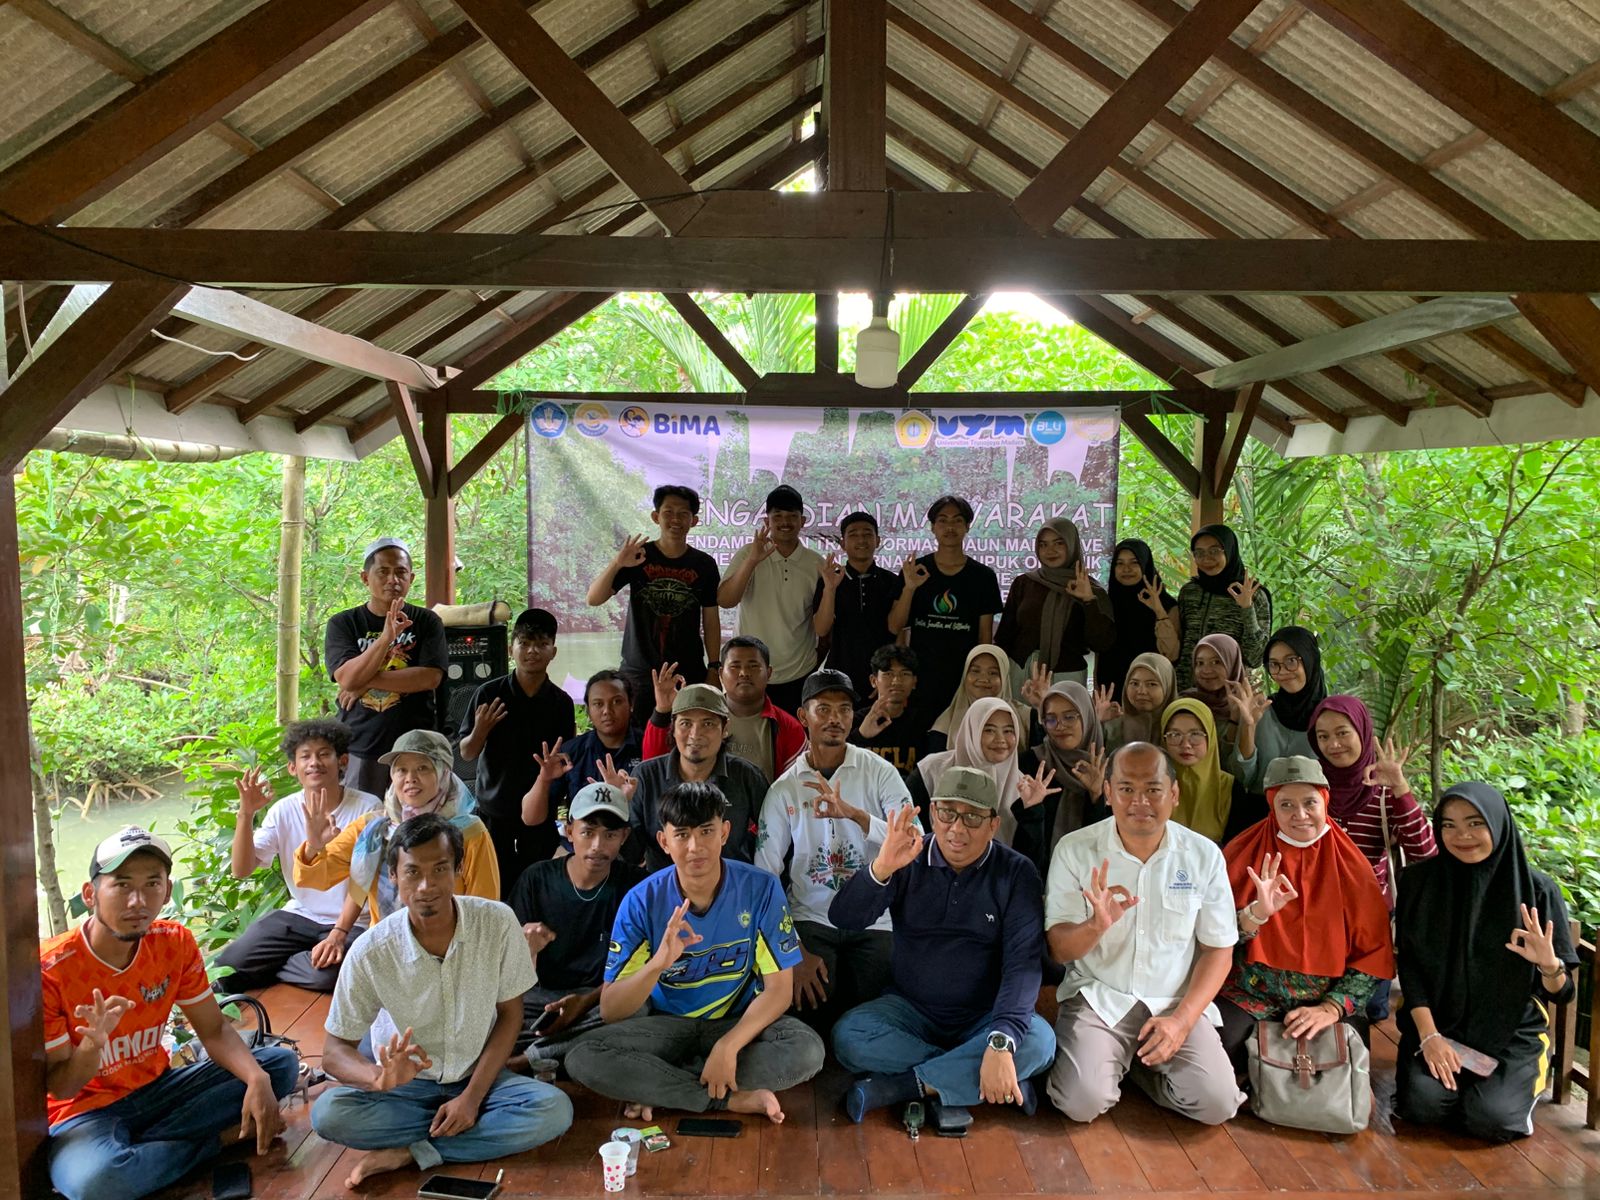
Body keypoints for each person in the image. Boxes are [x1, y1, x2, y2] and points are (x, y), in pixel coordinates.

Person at [311, 814, 573, 1189]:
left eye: (439, 869)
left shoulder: (497, 923)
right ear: (393, 876)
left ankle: (415, 1150)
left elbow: (510, 1015)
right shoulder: (371, 951)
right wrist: (378, 1077)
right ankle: (457, 1133)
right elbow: (334, 1052)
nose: (426, 886)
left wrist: (472, 1099)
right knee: (328, 1114)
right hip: (407, 1089)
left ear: (457, 870)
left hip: (480, 1078)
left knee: (554, 1110)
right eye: (413, 872)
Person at [43, 828, 300, 1200]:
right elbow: (61, 1088)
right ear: (90, 894)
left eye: (152, 884)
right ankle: (215, 1141)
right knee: (96, 1183)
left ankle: (143, 1152)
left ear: (166, 891)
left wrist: (256, 1078)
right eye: (122, 885)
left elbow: (214, 1030)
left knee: (278, 1066)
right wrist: (90, 1047)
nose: (137, 901)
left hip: (159, 1091)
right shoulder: (52, 969)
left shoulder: (173, 943)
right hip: (84, 1113)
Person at [565, 781, 826, 1122]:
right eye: (682, 834)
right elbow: (612, 1010)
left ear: (724, 833)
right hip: (665, 1028)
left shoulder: (760, 888)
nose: (695, 846)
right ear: (664, 841)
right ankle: (725, 1098)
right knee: (583, 1055)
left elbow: (779, 991)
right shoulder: (641, 901)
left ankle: (664, 1086)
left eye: (706, 831)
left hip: (736, 1022)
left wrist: (728, 1046)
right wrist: (658, 964)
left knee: (807, 1050)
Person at [830, 769, 1056, 1136]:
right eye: (948, 813)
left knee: (1039, 1041)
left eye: (972, 817)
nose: (957, 828)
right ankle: (985, 1079)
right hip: (911, 1010)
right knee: (849, 1035)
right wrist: (881, 867)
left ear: (994, 824)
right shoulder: (907, 856)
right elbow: (845, 918)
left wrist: (1000, 1042)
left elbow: (1023, 965)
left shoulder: (1017, 872)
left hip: (985, 1016)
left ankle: (899, 1087)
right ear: (932, 813)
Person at [1044, 743, 1244, 1126]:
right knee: (1080, 1103)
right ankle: (1119, 1066)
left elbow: (1218, 950)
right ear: (1108, 792)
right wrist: (1096, 925)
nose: (1140, 802)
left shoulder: (1203, 855)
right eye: (1126, 789)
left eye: (1153, 789)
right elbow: (1059, 950)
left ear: (1174, 793)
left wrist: (1182, 1021)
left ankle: (1135, 1072)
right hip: (1100, 999)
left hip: (1173, 1002)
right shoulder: (1075, 850)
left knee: (1217, 1104)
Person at [1395, 783, 1579, 1143]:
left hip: (1511, 1031)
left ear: (1498, 823)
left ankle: (1514, 1084)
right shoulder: (1419, 882)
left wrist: (1548, 964)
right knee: (1423, 1106)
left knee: (1491, 1119)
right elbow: (1411, 968)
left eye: (1475, 823)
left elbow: (1563, 993)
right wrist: (1430, 1037)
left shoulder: (1537, 890)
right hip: (1439, 1024)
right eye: (1448, 825)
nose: (1461, 835)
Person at [756, 670, 915, 1033]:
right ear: (802, 716)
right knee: (809, 1007)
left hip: (876, 916)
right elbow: (765, 876)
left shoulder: (879, 772)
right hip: (810, 919)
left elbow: (914, 838)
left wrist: (857, 816)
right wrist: (793, 950)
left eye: (844, 709)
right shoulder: (784, 789)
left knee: (876, 1015)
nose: (835, 718)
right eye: (823, 709)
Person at [1215, 756, 1394, 1068]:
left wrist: (1331, 1008)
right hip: (1250, 995)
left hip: (1325, 998)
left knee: (1341, 1064)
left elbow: (1373, 953)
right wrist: (1255, 914)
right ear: (1272, 806)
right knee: (1218, 1049)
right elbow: (1212, 938)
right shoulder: (1240, 854)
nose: (1300, 815)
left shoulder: (1352, 867)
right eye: (1286, 804)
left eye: (1310, 802)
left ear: (1325, 801)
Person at [216, 719, 380, 992]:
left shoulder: (367, 808)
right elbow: (241, 870)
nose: (314, 762)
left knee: (327, 976)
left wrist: (338, 933)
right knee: (228, 966)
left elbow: (364, 878)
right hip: (300, 915)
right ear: (293, 767)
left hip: (353, 923)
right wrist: (246, 814)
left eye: (323, 754)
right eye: (305, 756)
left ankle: (279, 965)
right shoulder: (283, 810)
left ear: (343, 761)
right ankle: (295, 963)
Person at [295, 729, 500, 927]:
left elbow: (484, 908)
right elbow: (315, 879)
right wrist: (314, 846)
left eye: (423, 768)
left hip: (450, 943)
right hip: (385, 942)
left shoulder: (469, 832)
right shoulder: (372, 828)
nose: (410, 778)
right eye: (401, 770)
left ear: (444, 773)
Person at [508, 782, 647, 1068]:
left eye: (610, 835)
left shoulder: (636, 887)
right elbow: (507, 971)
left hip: (599, 999)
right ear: (569, 831)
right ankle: (560, 1051)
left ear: (624, 836)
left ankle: (527, 1059)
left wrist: (586, 1002)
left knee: (638, 1009)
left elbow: (639, 969)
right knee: (493, 1012)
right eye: (588, 832)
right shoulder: (536, 879)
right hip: (541, 1000)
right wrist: (526, 949)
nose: (598, 846)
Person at [457, 607, 577, 892]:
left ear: (553, 652)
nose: (532, 651)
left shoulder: (560, 702)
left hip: (540, 813)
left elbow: (563, 759)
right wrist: (480, 730)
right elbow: (466, 753)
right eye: (524, 643)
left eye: (541, 644)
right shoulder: (489, 694)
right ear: (511, 649)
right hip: (494, 810)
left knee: (534, 885)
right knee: (493, 885)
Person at [587, 483, 722, 718]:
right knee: (640, 734)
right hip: (639, 671)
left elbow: (710, 619)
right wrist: (618, 563)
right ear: (656, 516)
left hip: (687, 670)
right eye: (668, 512)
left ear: (694, 521)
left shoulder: (704, 564)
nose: (675, 520)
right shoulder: (639, 556)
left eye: (683, 514)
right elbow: (594, 599)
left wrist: (713, 666)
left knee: (686, 732)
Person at [324, 537, 447, 796]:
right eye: (383, 572)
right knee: (364, 817)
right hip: (361, 745)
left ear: (411, 578)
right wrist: (386, 638)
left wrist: (363, 680)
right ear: (365, 578)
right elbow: (346, 677)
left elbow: (429, 678)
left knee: (418, 817)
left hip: (416, 747)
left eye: (401, 572)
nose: (393, 579)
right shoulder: (343, 623)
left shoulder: (427, 621)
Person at [1308, 695, 1436, 905]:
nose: (1334, 744)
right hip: (1317, 912)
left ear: (1362, 731)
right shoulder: (1310, 791)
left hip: (1371, 914)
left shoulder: (1384, 794)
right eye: (1323, 736)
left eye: (1342, 733)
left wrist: (1400, 788)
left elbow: (1426, 854)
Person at [627, 683, 768, 872]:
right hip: (664, 886)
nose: (695, 734)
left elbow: (774, 836)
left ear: (725, 727)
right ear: (673, 728)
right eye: (686, 723)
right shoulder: (646, 777)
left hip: (733, 884)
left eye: (707, 724)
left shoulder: (746, 775)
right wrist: (618, 808)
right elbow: (632, 854)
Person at [887, 495, 1002, 712]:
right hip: (921, 677)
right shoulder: (916, 570)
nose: (950, 527)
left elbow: (984, 637)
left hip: (963, 677)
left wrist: (979, 679)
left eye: (957, 520)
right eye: (943, 520)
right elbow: (895, 626)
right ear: (933, 527)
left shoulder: (983, 576)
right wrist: (909, 588)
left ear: (967, 526)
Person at [718, 485, 824, 714]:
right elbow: (726, 600)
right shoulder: (748, 553)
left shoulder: (816, 563)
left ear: (803, 521)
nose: (785, 522)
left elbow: (823, 624)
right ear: (767, 521)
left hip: (799, 672)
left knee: (794, 735)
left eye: (792, 516)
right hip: (750, 673)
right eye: (777, 516)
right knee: (747, 734)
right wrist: (752, 561)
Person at [640, 637, 804, 782]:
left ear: (769, 673)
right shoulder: (697, 718)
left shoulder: (789, 727)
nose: (744, 673)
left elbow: (793, 787)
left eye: (753, 666)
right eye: (735, 666)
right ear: (721, 673)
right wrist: (662, 710)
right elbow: (653, 768)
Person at [909, 697, 1056, 848]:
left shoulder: (1024, 787)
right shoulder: (932, 770)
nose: (1001, 739)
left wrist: (1032, 810)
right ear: (972, 731)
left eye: (1008, 731)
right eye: (989, 730)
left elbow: (1030, 857)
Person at [520, 668, 643, 847]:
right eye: (598, 704)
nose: (607, 711)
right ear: (588, 710)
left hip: (636, 851)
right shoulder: (571, 752)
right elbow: (531, 818)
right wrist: (544, 779)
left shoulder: (648, 748)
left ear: (631, 704)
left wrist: (623, 798)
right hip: (582, 852)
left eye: (617, 701)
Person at [995, 517, 1115, 688]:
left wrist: (1088, 601)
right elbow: (1005, 635)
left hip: (1067, 676)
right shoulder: (1024, 583)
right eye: (1043, 544)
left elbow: (1102, 643)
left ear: (1071, 544)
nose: (1050, 550)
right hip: (1022, 672)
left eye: (1059, 543)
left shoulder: (1090, 589)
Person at [1013, 682, 1110, 878]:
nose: (1060, 726)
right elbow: (1018, 840)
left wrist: (1096, 796)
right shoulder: (1030, 763)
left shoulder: (1106, 768)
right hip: (1035, 878)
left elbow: (1108, 844)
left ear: (1087, 716)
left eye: (1069, 717)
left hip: (1089, 882)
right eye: (1051, 719)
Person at [812, 511, 904, 697]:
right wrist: (830, 589)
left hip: (882, 675)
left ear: (878, 541)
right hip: (840, 676)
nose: (861, 540)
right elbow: (821, 629)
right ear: (843, 543)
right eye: (853, 534)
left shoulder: (892, 581)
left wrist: (891, 675)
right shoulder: (830, 580)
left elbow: (899, 632)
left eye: (867, 534)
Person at [1174, 524, 1271, 690]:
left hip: (1230, 693)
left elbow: (1256, 658)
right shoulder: (1190, 592)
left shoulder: (1252, 594)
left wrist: (1247, 609)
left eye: (1214, 551)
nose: (1206, 559)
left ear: (1229, 550)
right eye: (1199, 553)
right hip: (1186, 691)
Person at [1234, 626, 1328, 792]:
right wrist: (1248, 726)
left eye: (1291, 661)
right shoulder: (1261, 711)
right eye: (1274, 664)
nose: (1282, 671)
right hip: (1259, 806)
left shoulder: (1331, 717)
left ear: (1309, 659)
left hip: (1313, 808)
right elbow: (1243, 777)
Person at [1097, 538, 1179, 699]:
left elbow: (1171, 654)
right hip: (1111, 691)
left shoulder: (1167, 605)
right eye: (1120, 563)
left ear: (1145, 565)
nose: (1126, 569)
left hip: (1151, 692)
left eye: (1134, 563)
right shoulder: (1107, 603)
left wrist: (1158, 610)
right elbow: (1100, 649)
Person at [926, 642, 1031, 755]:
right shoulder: (946, 725)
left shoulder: (1025, 717)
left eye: (993, 673)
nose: (983, 679)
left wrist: (1040, 704)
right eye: (975, 671)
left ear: (1004, 678)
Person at [850, 643, 926, 773]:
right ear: (873, 681)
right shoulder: (854, 720)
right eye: (888, 674)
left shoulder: (922, 723)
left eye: (904, 674)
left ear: (914, 682)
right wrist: (861, 734)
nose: (896, 681)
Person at [1178, 633, 1251, 760]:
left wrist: (1237, 719)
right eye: (1200, 663)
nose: (1206, 670)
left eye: (1216, 662)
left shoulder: (1250, 708)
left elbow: (1240, 768)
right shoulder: (1185, 704)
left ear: (1232, 663)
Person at [1098, 652, 1177, 752]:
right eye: (1134, 683)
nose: (1141, 691)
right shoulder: (1111, 725)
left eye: (1151, 684)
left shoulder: (1180, 727)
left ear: (1168, 687)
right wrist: (1097, 722)